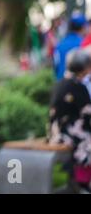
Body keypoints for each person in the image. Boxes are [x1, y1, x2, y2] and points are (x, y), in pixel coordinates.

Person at [49, 49, 91, 193]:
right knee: (88, 144)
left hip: (55, 132)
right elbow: (87, 114)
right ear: (85, 68)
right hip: (68, 134)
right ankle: (83, 183)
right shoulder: (78, 87)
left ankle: (80, 182)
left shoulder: (60, 83)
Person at [53, 14, 87, 80]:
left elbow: (56, 67)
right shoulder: (83, 44)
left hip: (61, 84)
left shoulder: (60, 44)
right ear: (83, 27)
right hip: (78, 85)